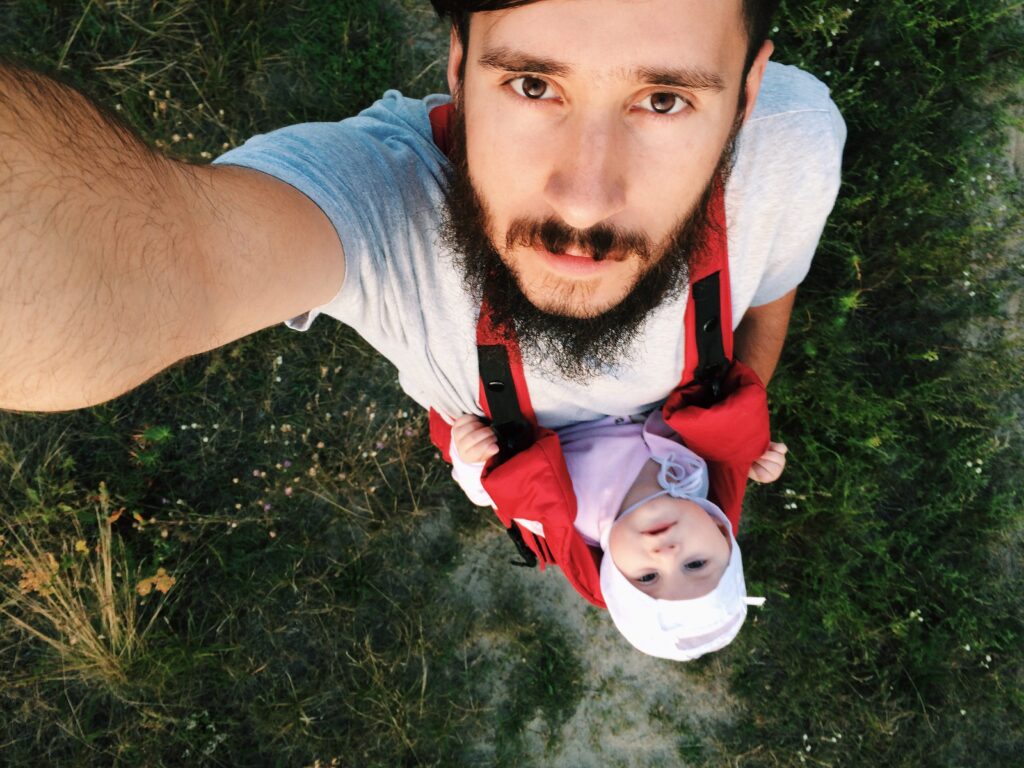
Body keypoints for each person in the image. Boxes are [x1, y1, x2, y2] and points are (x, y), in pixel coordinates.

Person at [0, 0, 844, 422]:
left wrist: (741, 409)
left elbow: (773, 284)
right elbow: (154, 265)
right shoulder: (381, 198)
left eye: (663, 101)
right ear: (457, 65)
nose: (585, 198)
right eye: (532, 85)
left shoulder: (794, 141)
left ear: (749, 94)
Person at [447, 411, 787, 660]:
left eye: (648, 577)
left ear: (612, 572)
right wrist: (751, 459)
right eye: (696, 563)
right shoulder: (697, 480)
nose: (668, 554)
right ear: (721, 532)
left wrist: (472, 457)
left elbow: (490, 492)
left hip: (552, 397)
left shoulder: (573, 513)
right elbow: (719, 428)